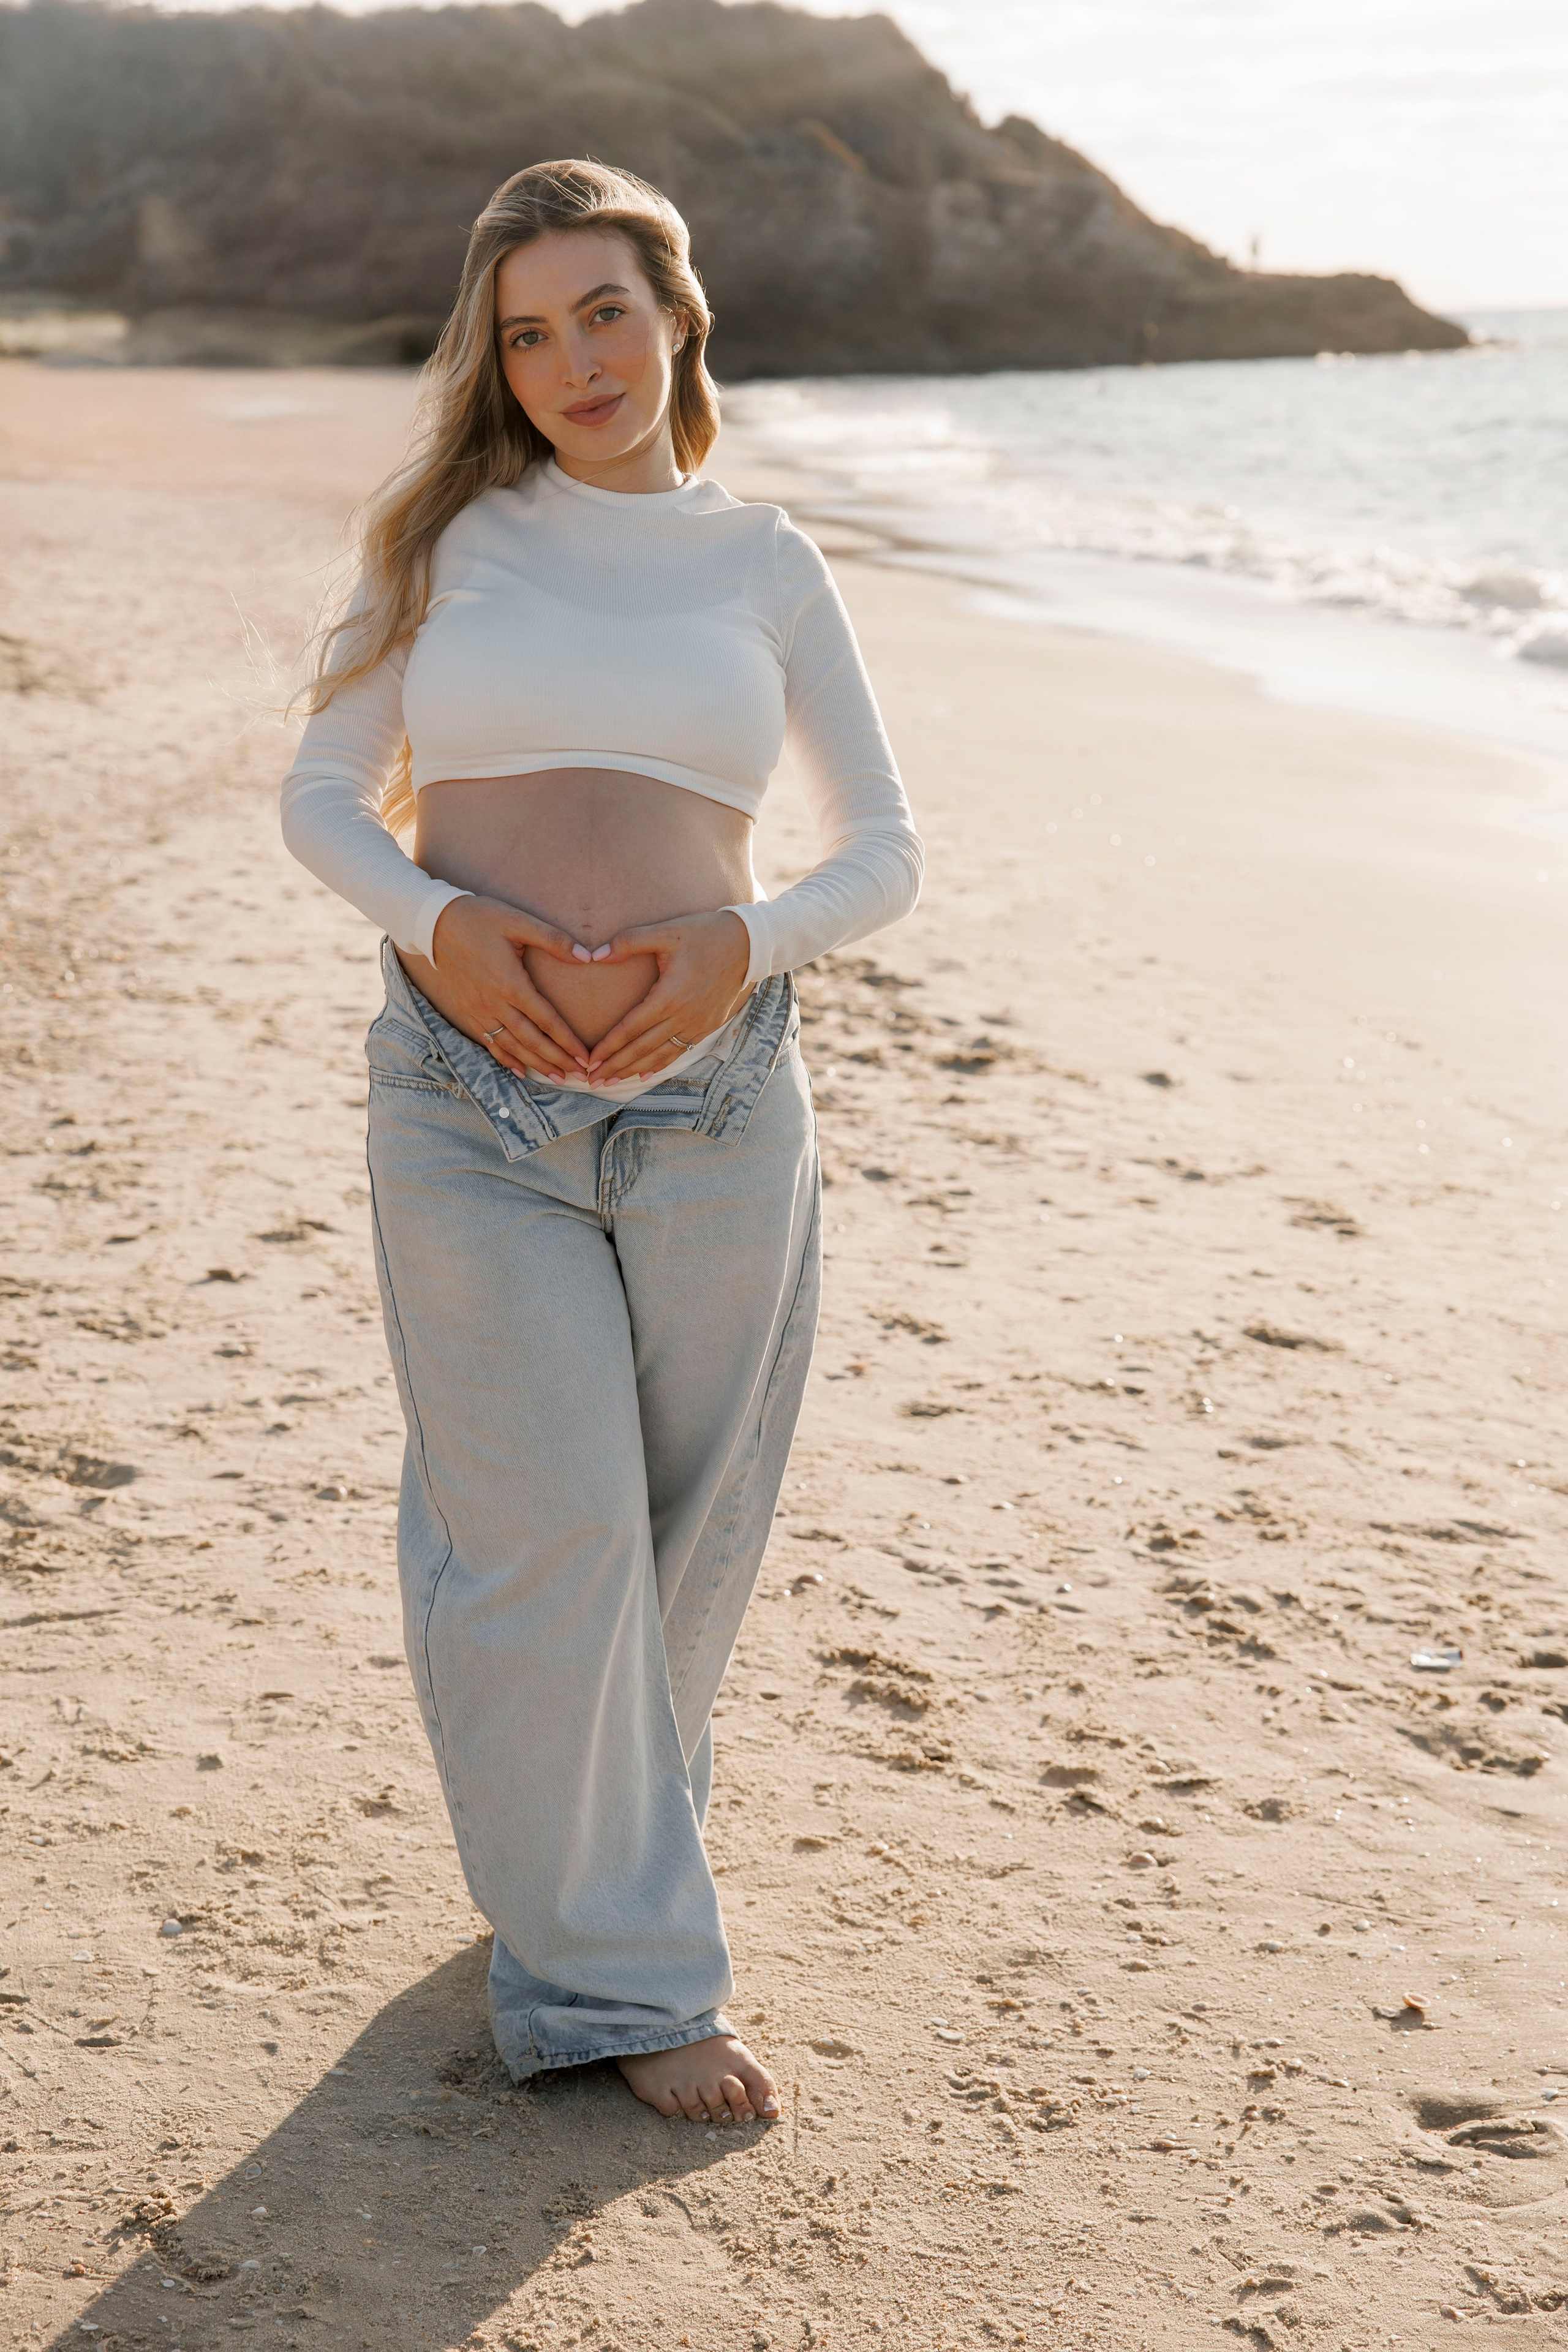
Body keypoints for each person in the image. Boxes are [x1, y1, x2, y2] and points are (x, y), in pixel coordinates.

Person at [280, 158, 922, 2130]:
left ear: (680, 317)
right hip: (464, 1096)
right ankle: (618, 1979)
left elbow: (885, 854)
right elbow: (320, 798)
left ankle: (592, 1866)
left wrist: (746, 941)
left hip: (720, 1098)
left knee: (682, 1540)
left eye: (608, 313)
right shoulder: (446, 536)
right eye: (531, 331)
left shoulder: (765, 558)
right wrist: (439, 925)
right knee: (537, 1532)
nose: (575, 361)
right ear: (496, 358)